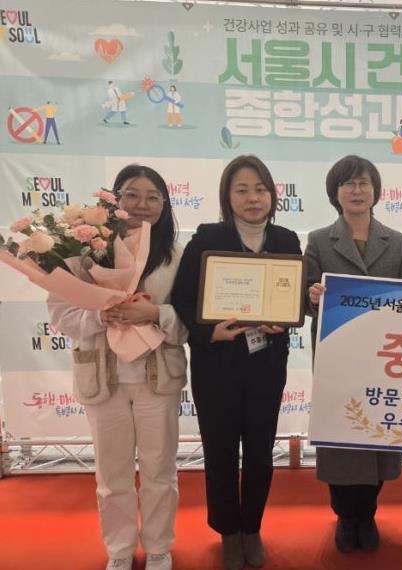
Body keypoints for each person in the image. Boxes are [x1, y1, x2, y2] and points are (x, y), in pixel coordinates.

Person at [48, 164, 186, 570]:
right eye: (131, 195)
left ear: (164, 204)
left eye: (152, 197)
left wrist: (155, 313)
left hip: (157, 379)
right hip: (103, 378)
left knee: (160, 470)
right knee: (112, 475)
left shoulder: (177, 256)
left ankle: (159, 546)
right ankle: (120, 550)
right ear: (114, 200)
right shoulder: (80, 251)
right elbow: (60, 315)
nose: (142, 204)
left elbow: (192, 320)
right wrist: (99, 316)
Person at [171, 155, 301, 570]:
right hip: (217, 364)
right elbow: (183, 300)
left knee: (261, 451)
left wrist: (285, 319)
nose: (252, 198)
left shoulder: (286, 240)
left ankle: (252, 527)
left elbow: (295, 297)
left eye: (260, 189)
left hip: (266, 364)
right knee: (221, 450)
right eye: (242, 190)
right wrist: (210, 332)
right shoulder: (207, 238)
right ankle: (229, 530)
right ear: (227, 197)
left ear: (273, 195)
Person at [306, 155, 402, 554]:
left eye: (363, 183)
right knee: (341, 438)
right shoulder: (319, 240)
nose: (356, 190)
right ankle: (344, 515)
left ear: (376, 190)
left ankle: (367, 514)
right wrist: (312, 295)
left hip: (386, 357)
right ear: (335, 192)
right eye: (348, 184)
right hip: (337, 357)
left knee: (377, 438)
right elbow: (303, 300)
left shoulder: (397, 241)